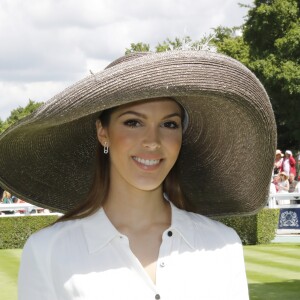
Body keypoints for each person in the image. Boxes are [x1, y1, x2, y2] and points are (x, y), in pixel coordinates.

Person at [0, 50, 276, 300]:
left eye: (169, 124)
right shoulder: (48, 251)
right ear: (102, 132)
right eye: (133, 122)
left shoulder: (222, 246)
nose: (152, 141)